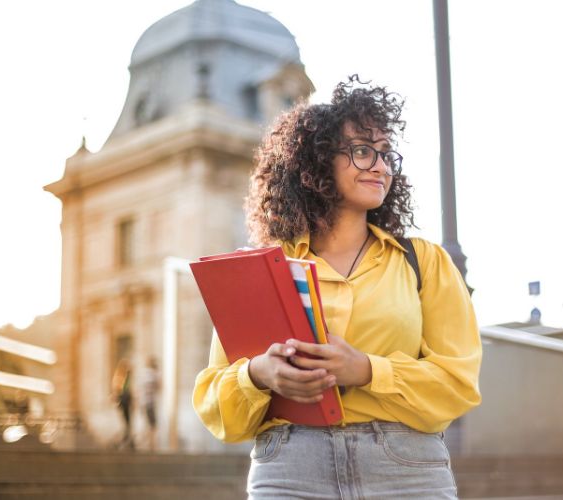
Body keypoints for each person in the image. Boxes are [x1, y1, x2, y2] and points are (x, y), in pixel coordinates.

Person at [192, 76, 482, 499]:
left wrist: (365, 370)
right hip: (290, 470)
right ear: (317, 162)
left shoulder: (424, 262)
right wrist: (259, 374)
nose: (381, 166)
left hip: (406, 470)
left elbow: (458, 384)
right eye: (363, 151)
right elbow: (217, 406)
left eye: (386, 154)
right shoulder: (263, 272)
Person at [111, 358, 134, 450]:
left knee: (127, 423)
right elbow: (117, 391)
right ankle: (121, 440)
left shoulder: (126, 378)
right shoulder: (119, 378)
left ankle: (126, 440)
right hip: (123, 402)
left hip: (126, 402)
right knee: (126, 423)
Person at [141, 356, 160, 451]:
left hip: (144, 402)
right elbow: (158, 386)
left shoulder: (144, 374)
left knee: (149, 424)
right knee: (153, 425)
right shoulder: (153, 374)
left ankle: (149, 443)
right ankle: (151, 444)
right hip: (150, 403)